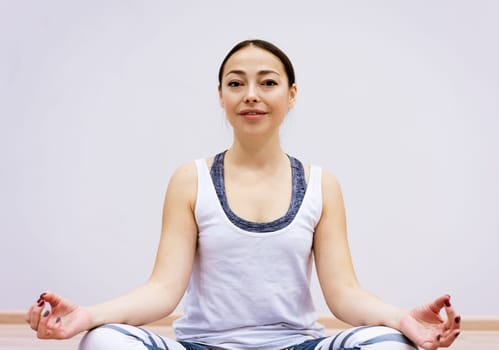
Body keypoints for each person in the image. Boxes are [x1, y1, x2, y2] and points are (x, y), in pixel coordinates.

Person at [26, 39, 461, 350]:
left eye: (267, 83)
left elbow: (345, 293)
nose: (251, 95)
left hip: (296, 346)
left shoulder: (321, 184)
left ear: (291, 96)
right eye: (236, 84)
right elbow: (162, 289)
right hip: (202, 346)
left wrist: (402, 319)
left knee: (391, 344)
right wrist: (89, 315)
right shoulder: (190, 179)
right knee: (102, 341)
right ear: (221, 96)